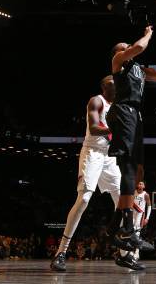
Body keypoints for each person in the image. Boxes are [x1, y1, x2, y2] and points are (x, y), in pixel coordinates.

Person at [107, 26, 156, 270]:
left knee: (137, 169)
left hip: (136, 116)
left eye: (127, 47)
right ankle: (128, 229)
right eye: (125, 47)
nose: (128, 49)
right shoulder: (119, 61)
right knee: (129, 167)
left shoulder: (140, 70)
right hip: (123, 111)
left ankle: (116, 229)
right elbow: (139, 46)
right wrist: (149, 33)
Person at [50, 76, 122, 272]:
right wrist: (115, 133)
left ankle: (126, 254)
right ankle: (61, 252)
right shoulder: (96, 100)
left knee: (122, 201)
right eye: (110, 82)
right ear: (104, 86)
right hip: (92, 152)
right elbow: (94, 127)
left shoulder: (120, 105)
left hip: (109, 156)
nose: (114, 83)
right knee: (84, 199)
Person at [119, 181, 151, 262]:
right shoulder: (133, 192)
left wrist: (147, 218)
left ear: (144, 186)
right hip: (132, 213)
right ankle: (129, 251)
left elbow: (149, 206)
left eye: (142, 184)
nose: (140, 185)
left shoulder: (146, 195)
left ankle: (137, 252)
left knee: (137, 233)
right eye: (139, 183)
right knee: (129, 231)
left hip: (140, 214)